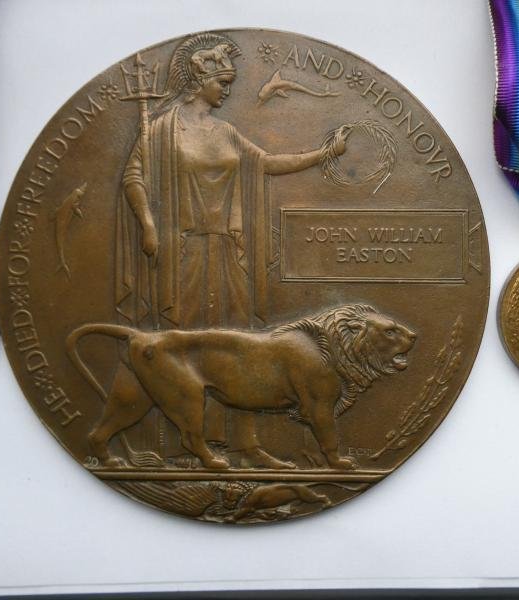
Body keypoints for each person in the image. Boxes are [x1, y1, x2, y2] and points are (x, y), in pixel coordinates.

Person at [112, 33, 346, 468]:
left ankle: (244, 443)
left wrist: (322, 154)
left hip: (228, 253)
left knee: (242, 348)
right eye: (223, 81)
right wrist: (147, 224)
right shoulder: (161, 130)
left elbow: (267, 163)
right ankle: (184, 444)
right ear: (198, 80)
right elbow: (133, 178)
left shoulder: (226, 132)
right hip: (183, 253)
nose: (228, 90)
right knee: (185, 346)